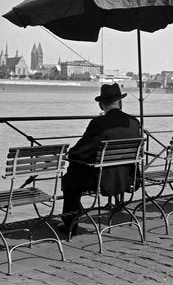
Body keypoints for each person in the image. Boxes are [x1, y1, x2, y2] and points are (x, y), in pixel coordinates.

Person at [58, 83, 141, 233]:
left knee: (70, 180)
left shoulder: (99, 123)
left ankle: (70, 223)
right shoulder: (134, 123)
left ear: (101, 105)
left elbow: (80, 152)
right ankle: (116, 206)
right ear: (120, 103)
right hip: (128, 177)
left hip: (103, 180)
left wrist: (70, 154)